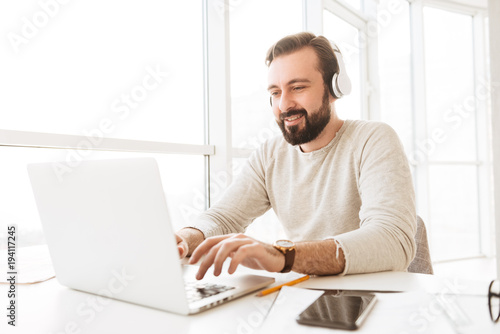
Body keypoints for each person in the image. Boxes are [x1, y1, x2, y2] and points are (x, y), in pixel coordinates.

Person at [176, 32, 417, 280]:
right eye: (275, 92)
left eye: (298, 87)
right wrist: (184, 239)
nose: (283, 105)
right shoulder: (270, 155)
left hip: (374, 297)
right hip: (306, 292)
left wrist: (284, 256)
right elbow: (224, 218)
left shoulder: (373, 139)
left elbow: (393, 240)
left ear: (335, 88)